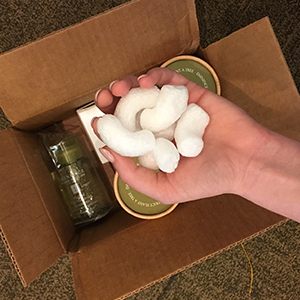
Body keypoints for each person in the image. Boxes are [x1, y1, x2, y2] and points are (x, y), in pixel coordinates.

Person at [91, 67, 300, 223]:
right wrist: (245, 162)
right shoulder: (153, 138)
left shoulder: (157, 135)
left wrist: (245, 167)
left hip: (167, 130)